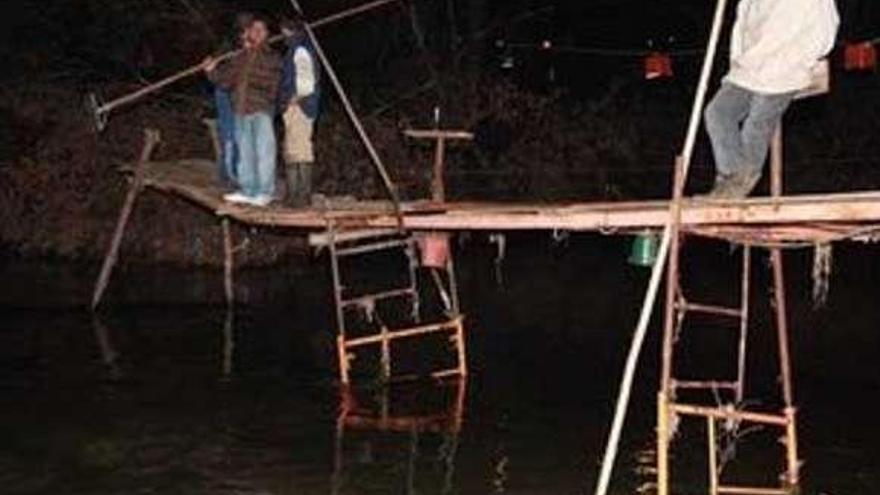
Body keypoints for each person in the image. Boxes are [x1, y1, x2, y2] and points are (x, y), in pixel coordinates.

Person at [702, 0, 839, 199]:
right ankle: (731, 175)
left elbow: (825, 28)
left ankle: (739, 182)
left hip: (786, 67)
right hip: (748, 68)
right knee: (718, 112)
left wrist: (806, 59)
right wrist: (739, 60)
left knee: (757, 123)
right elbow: (742, 30)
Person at [204, 16, 282, 207]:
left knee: (263, 152)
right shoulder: (240, 56)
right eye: (253, 29)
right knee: (245, 152)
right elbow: (226, 80)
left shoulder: (271, 57)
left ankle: (265, 192)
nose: (256, 32)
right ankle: (248, 190)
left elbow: (272, 84)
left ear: (266, 35)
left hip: (261, 109)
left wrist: (252, 59)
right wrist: (211, 70)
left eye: (260, 30)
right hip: (240, 109)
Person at [278, 17, 321, 207]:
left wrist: (296, 98)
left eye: (284, 31)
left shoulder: (301, 49)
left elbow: (306, 78)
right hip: (294, 106)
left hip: (300, 106)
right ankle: (293, 193)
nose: (282, 35)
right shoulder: (296, 48)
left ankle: (302, 195)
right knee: (292, 148)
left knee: (300, 149)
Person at [212, 12, 254, 187]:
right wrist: (211, 69)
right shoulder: (229, 48)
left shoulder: (252, 46)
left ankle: (238, 173)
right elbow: (223, 76)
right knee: (230, 135)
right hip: (226, 94)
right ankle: (229, 176)